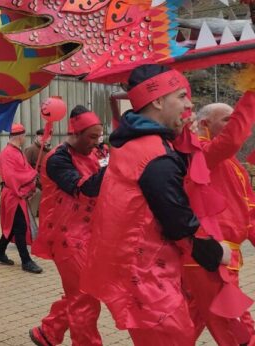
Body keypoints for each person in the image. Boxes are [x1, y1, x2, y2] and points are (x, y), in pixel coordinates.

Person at [80, 64, 227, 345]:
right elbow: (177, 220)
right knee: (175, 337)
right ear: (158, 101)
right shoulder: (154, 154)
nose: (189, 104)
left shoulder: (134, 143)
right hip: (146, 276)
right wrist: (214, 253)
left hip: (139, 270)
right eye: (181, 96)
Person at [28, 106, 106, 346]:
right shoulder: (58, 159)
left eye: (98, 137)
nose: (95, 143)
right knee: (85, 298)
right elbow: (85, 189)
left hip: (92, 234)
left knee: (82, 292)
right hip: (67, 238)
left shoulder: (94, 153)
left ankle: (49, 331)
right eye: (91, 137)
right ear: (75, 133)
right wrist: (112, 166)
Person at [182, 93, 255, 345]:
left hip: (219, 256)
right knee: (235, 325)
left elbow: (250, 212)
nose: (233, 125)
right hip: (210, 255)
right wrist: (251, 92)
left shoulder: (231, 164)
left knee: (190, 322)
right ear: (204, 124)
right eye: (227, 120)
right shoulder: (201, 153)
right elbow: (232, 139)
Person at [0, 123, 43, 274]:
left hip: (16, 194)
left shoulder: (16, 152)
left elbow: (25, 170)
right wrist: (31, 177)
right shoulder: (7, 153)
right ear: (20, 136)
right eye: (24, 136)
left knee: (14, 226)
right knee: (19, 226)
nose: (25, 138)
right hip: (13, 195)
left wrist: (31, 180)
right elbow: (12, 176)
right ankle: (26, 260)